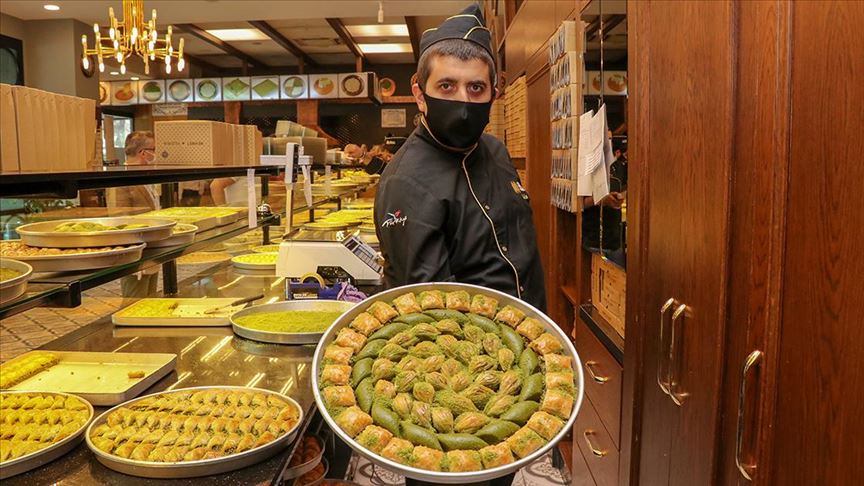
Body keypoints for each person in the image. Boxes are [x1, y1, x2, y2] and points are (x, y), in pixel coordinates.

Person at [374, 5, 546, 317]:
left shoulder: (495, 150)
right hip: (474, 353)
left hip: (531, 330)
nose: (463, 102)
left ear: (494, 92)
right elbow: (432, 307)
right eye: (447, 86)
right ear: (420, 93)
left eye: (476, 88)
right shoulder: (405, 182)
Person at [582, 137, 628, 259]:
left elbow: (624, 188)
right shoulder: (587, 167)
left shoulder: (617, 167)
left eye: (610, 138)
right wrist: (602, 199)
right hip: (593, 241)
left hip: (615, 241)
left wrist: (620, 197)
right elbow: (579, 203)